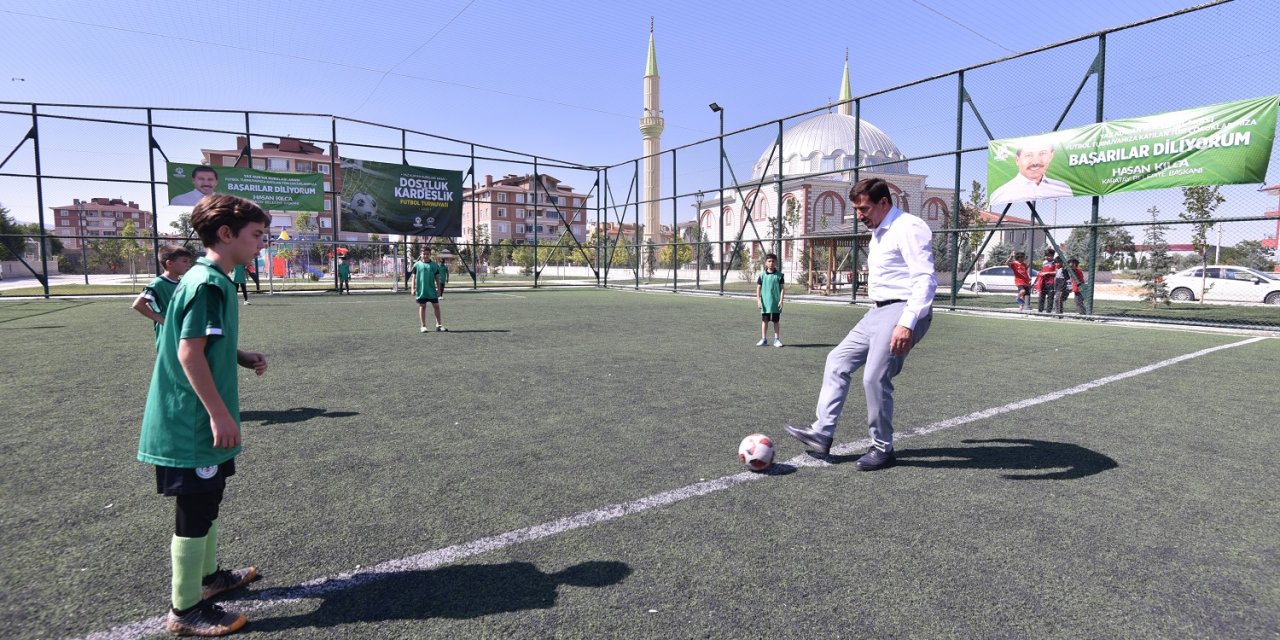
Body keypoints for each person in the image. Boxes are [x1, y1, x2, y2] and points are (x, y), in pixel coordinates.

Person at [137, 194, 270, 636]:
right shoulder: (208, 283)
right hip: (192, 421)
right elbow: (188, 353)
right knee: (194, 510)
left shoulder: (208, 278)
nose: (261, 244)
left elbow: (204, 342)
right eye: (256, 236)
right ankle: (184, 609)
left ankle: (209, 579)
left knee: (209, 498)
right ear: (226, 234)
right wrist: (218, 414)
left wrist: (240, 356)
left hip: (201, 418)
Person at [784, 178, 936, 471]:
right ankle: (822, 433)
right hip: (877, 311)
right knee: (837, 360)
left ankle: (883, 448)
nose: (859, 215)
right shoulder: (879, 231)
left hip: (904, 309)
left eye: (863, 208)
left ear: (883, 203)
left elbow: (925, 279)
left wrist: (906, 324)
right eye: (856, 209)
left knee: (874, 378)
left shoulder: (909, 227)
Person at [131, 246, 194, 346]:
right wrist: (163, 320)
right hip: (168, 333)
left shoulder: (182, 282)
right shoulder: (158, 283)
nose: (188, 264)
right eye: (185, 261)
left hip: (182, 329)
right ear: (169, 263)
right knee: (169, 360)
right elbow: (138, 305)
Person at [990, 138, 1073, 206]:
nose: (1035, 162)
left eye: (1042, 154)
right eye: (1028, 155)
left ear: (1051, 156)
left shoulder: (1064, 188)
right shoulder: (1001, 193)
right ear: (1017, 159)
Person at [413, 246, 448, 332]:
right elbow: (413, 277)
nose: (425, 255)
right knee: (422, 306)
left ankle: (438, 325)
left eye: (427, 254)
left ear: (430, 254)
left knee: (436, 306)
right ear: (420, 254)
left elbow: (437, 278)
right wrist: (412, 288)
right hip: (421, 290)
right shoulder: (417, 265)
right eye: (424, 254)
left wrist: (439, 289)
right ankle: (423, 326)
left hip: (431, 290)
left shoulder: (434, 265)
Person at [756, 253, 785, 347]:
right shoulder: (762, 275)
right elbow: (758, 288)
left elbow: (782, 289)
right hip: (765, 303)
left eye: (773, 261)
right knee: (765, 321)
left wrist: (781, 300)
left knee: (776, 321)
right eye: (769, 261)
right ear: (765, 263)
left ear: (776, 262)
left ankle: (776, 340)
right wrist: (758, 300)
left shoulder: (780, 275)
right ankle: (764, 339)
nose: (771, 263)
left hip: (776, 303)